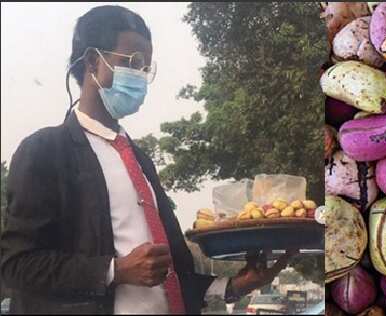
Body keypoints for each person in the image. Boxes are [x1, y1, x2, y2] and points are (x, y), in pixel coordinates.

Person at [0, 5, 294, 314]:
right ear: (92, 62)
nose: (140, 77)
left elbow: (169, 277)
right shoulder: (46, 151)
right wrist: (115, 270)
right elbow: (17, 264)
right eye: (133, 63)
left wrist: (233, 285)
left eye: (146, 68)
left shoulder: (138, 160)